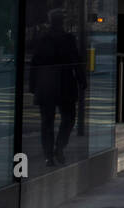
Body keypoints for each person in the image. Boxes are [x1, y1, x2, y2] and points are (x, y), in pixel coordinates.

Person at [30, 9, 85, 167]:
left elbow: (35, 63)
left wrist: (33, 85)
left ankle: (49, 154)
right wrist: (81, 80)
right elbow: (76, 60)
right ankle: (59, 147)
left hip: (46, 84)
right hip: (65, 83)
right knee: (68, 118)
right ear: (62, 22)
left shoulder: (43, 39)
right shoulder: (68, 39)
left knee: (47, 121)